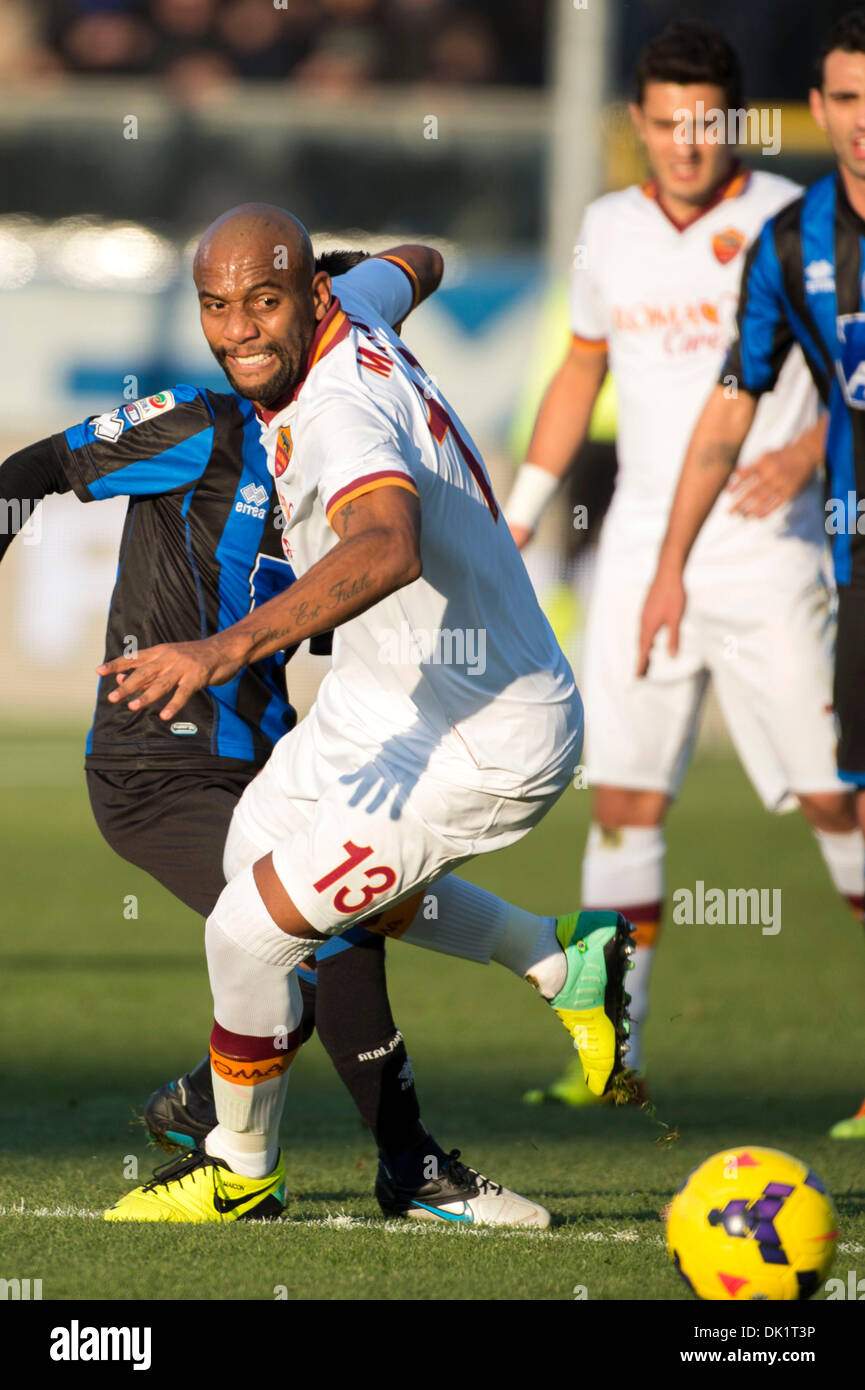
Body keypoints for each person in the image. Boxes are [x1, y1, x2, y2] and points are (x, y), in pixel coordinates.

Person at [0, 244, 573, 1226]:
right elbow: (34, 466)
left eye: (264, 303)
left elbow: (422, 261)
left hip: (273, 741)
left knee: (317, 926)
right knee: (318, 940)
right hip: (159, 762)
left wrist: (351, 273)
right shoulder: (205, 426)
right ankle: (406, 1163)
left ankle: (214, 1116)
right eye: (220, 308)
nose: (240, 330)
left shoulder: (339, 405)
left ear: (312, 302)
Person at [505, 21, 862, 1109]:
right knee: (621, 800)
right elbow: (579, 366)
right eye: (665, 124)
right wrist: (521, 509)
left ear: (735, 123)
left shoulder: (788, 224)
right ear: (638, 124)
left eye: (704, 124)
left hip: (768, 551)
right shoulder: (607, 227)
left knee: (837, 799)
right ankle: (610, 1056)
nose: (684, 145)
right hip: (640, 552)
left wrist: (808, 450)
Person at [638, 9, 865, 1140]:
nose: (863, 125)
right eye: (846, 101)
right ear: (817, 112)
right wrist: (667, 562)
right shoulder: (796, 243)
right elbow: (732, 404)